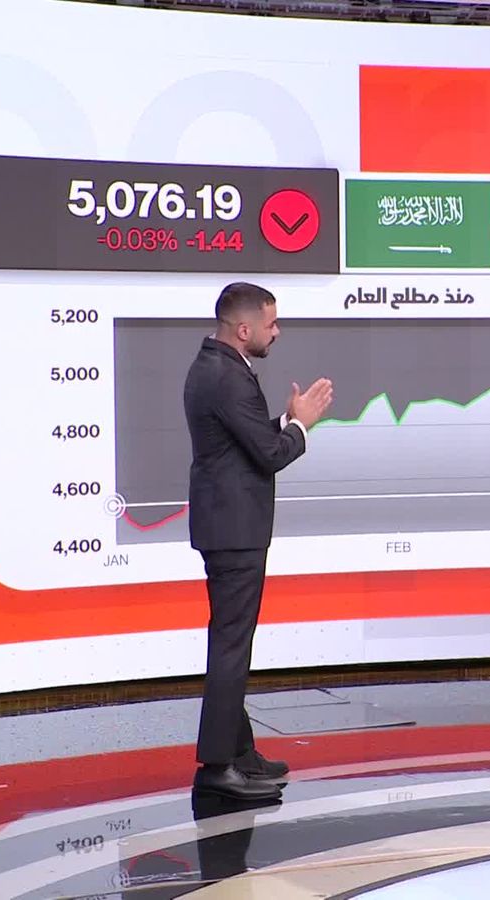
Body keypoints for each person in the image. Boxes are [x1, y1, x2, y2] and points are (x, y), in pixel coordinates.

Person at [183, 281, 333, 799]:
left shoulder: (216, 366)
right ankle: (217, 765)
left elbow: (245, 437)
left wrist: (286, 420)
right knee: (231, 646)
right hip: (234, 531)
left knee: (232, 643)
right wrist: (302, 427)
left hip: (227, 526)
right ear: (244, 329)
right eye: (271, 324)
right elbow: (269, 454)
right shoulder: (227, 377)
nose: (277, 332)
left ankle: (239, 752)